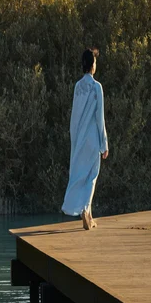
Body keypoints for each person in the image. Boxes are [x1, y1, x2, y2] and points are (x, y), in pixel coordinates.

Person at [61, 48, 109, 230]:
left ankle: (85, 212)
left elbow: (74, 117)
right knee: (92, 176)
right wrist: (104, 144)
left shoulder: (77, 87)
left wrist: (74, 141)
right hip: (92, 139)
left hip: (79, 137)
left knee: (79, 175)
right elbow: (99, 118)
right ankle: (86, 211)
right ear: (93, 65)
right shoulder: (97, 87)